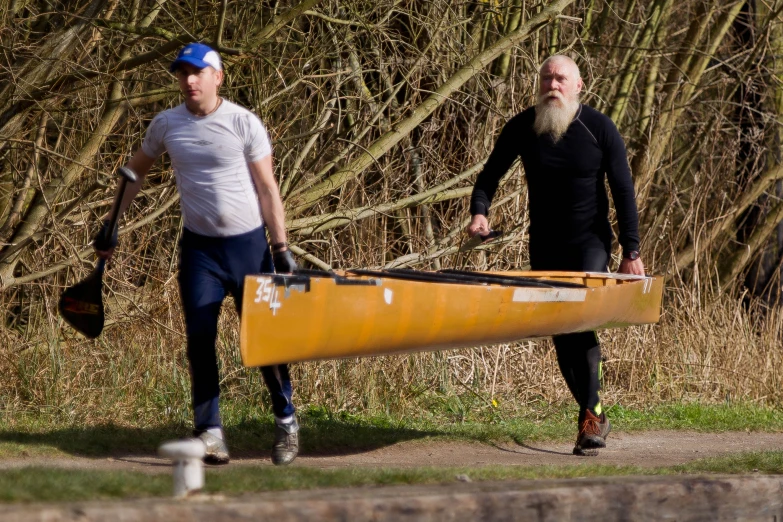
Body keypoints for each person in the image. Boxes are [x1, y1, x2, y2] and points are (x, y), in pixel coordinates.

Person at [94, 42, 300, 466]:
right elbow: (136, 173)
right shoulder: (166, 124)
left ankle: (286, 422)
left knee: (265, 343)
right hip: (200, 251)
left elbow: (267, 188)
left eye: (197, 72)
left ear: (217, 77)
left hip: (249, 249)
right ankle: (210, 431)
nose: (189, 80)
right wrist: (112, 222)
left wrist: (280, 247)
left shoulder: (244, 123)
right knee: (200, 341)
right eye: (182, 73)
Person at [468, 55, 645, 456]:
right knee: (561, 330)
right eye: (546, 77)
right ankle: (593, 414)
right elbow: (488, 177)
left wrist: (630, 250)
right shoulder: (524, 126)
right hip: (544, 245)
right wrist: (480, 214)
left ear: (578, 85)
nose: (552, 84)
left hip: (590, 244)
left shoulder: (599, 127)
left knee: (577, 320)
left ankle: (590, 415)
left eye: (561, 78)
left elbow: (623, 191)